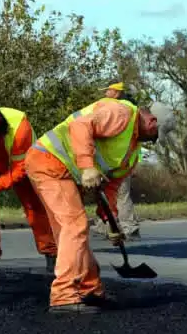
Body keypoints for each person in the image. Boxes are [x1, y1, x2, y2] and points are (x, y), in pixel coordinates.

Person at [24, 96, 175, 314]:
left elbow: (111, 189)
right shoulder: (121, 113)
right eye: (154, 137)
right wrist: (87, 166)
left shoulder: (130, 154)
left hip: (61, 170)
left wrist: (111, 223)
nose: (151, 141)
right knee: (75, 227)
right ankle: (64, 296)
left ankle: (90, 289)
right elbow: (80, 125)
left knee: (73, 232)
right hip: (47, 160)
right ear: (152, 122)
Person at [0, 107, 57, 272]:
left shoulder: (20, 129)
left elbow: (19, 169)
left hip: (20, 165)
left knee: (34, 206)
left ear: (1, 133)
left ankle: (51, 251)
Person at [92, 82, 141, 240]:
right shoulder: (131, 107)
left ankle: (129, 227)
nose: (105, 93)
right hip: (119, 158)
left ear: (116, 92)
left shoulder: (120, 108)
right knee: (108, 193)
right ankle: (104, 225)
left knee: (120, 194)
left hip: (119, 159)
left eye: (108, 91)